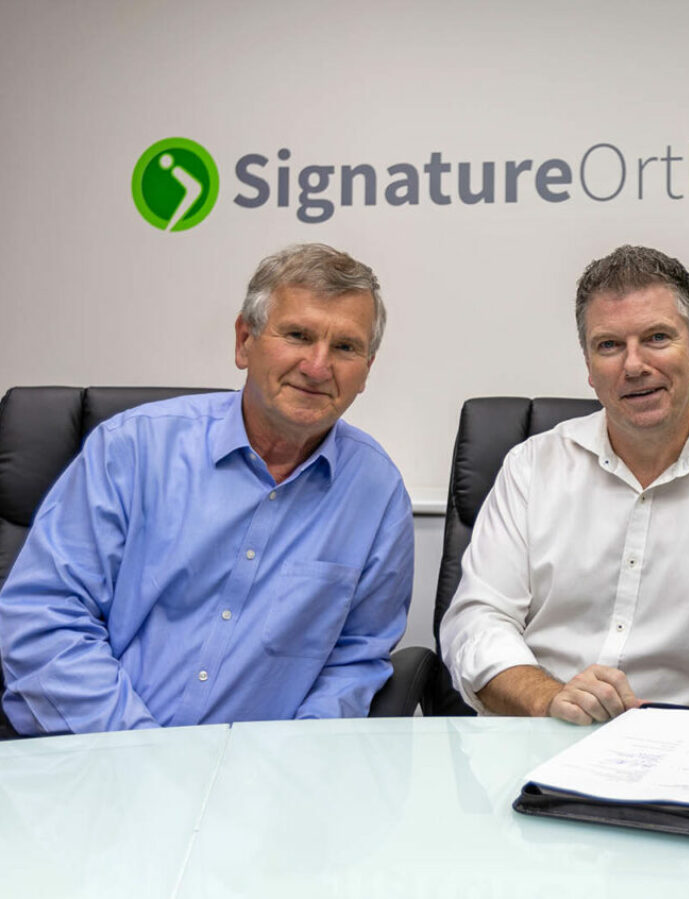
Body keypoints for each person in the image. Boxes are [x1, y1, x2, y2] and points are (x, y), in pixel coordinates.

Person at [0, 243, 414, 734]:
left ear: (367, 369)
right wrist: (140, 752)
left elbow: (355, 659)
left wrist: (297, 760)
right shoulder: (131, 449)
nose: (318, 366)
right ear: (244, 341)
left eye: (345, 347)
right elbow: (44, 618)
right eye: (298, 335)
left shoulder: (377, 492)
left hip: (260, 773)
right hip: (90, 751)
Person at [440, 244, 689, 724]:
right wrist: (548, 698)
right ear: (588, 364)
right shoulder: (531, 467)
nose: (634, 365)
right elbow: (476, 621)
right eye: (609, 345)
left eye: (657, 337)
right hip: (535, 736)